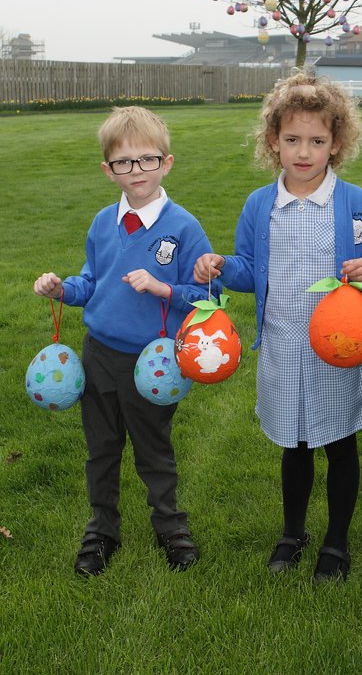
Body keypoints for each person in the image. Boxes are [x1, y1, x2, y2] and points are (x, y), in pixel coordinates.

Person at [194, 72, 362, 582]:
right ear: (273, 142)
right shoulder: (261, 205)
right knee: (295, 446)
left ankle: (337, 540)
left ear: (337, 144)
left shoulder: (355, 205)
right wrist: (219, 264)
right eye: (292, 140)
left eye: (317, 141)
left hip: (338, 349)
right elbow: (246, 269)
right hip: (283, 346)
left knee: (340, 443)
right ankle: (292, 531)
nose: (304, 152)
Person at [33, 106, 219, 576]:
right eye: (124, 162)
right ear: (108, 169)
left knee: (153, 447)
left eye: (147, 160)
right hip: (100, 355)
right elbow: (91, 282)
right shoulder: (102, 223)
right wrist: (62, 290)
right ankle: (102, 528)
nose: (136, 171)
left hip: (154, 361)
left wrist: (164, 289)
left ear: (167, 163)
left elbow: (207, 297)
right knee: (102, 447)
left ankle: (170, 524)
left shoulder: (184, 227)